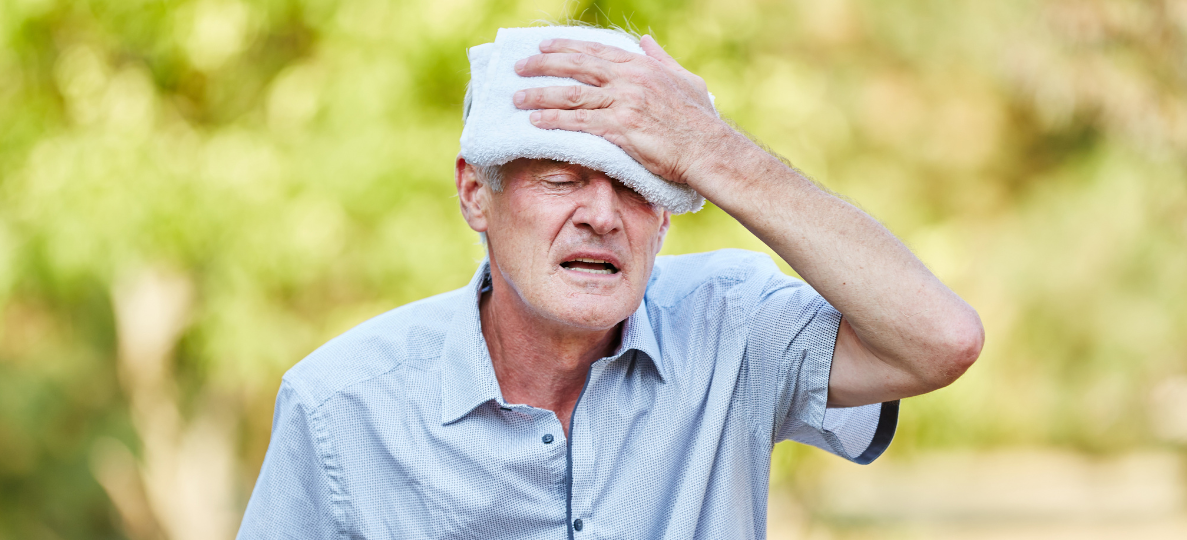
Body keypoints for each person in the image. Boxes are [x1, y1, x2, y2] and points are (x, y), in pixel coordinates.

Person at [238, 25, 983, 539]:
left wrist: (708, 149)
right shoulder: (340, 408)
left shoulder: (733, 328)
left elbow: (940, 340)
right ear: (474, 195)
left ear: (667, 216)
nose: (601, 215)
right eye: (561, 179)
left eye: (637, 187)